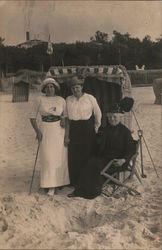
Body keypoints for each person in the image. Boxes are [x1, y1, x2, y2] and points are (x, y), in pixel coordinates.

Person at [68, 103, 136, 199]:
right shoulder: (105, 129)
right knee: (88, 162)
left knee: (94, 166)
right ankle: (80, 191)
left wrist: (124, 160)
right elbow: (100, 144)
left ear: (120, 117)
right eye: (110, 117)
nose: (112, 119)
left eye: (115, 117)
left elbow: (132, 149)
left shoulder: (125, 131)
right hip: (105, 158)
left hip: (116, 161)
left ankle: (91, 193)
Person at [30, 78, 70, 196]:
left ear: (55, 88)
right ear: (44, 89)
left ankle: (58, 184)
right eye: (47, 87)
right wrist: (37, 131)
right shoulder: (39, 99)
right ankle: (48, 184)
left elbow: (66, 118)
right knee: (47, 157)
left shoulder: (61, 100)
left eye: (52, 87)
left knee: (59, 157)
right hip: (45, 130)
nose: (49, 89)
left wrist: (66, 135)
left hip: (59, 130)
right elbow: (32, 117)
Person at [65, 76, 102, 187]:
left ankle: (86, 180)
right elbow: (66, 117)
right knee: (74, 155)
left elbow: (98, 114)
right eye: (73, 88)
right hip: (74, 129)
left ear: (81, 87)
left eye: (77, 87)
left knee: (87, 154)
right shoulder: (68, 99)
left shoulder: (90, 98)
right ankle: (75, 181)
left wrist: (95, 128)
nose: (75, 90)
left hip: (87, 129)